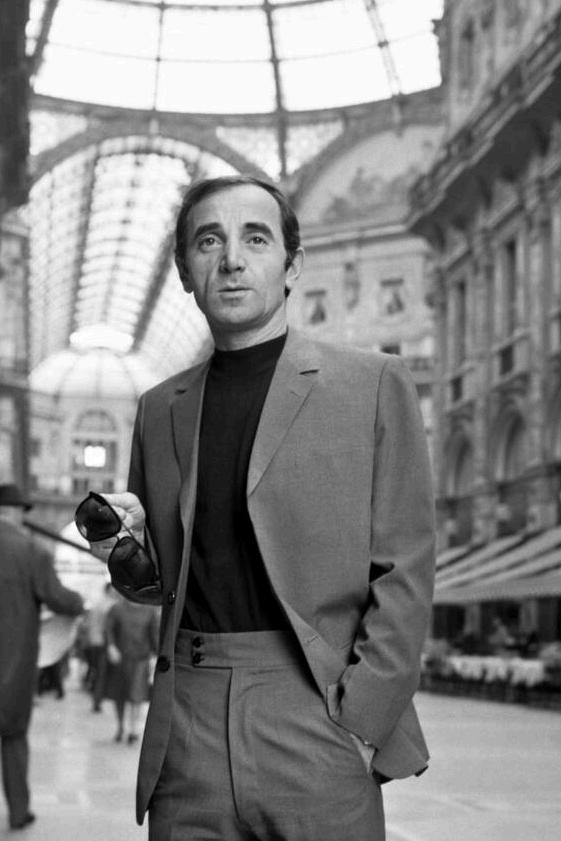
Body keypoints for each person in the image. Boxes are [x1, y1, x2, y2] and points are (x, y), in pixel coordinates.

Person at [86, 175, 436, 841]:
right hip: (187, 721)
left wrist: (361, 720)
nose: (231, 260)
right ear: (184, 271)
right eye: (208, 241)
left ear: (291, 264)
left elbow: (406, 570)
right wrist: (123, 553)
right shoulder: (159, 408)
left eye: (255, 238)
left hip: (315, 710)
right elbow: (162, 582)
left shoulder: (370, 384)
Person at [0, 483, 83, 830]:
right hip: (12, 667)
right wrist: (81, 602)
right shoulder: (30, 550)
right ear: (17, 511)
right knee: (14, 739)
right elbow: (58, 598)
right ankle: (19, 812)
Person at [103, 593, 159, 744]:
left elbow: (154, 635)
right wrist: (111, 646)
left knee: (137, 695)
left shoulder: (150, 611)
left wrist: (156, 655)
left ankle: (133, 729)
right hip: (120, 658)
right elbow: (108, 630)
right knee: (119, 694)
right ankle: (120, 726)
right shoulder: (116, 609)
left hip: (141, 659)